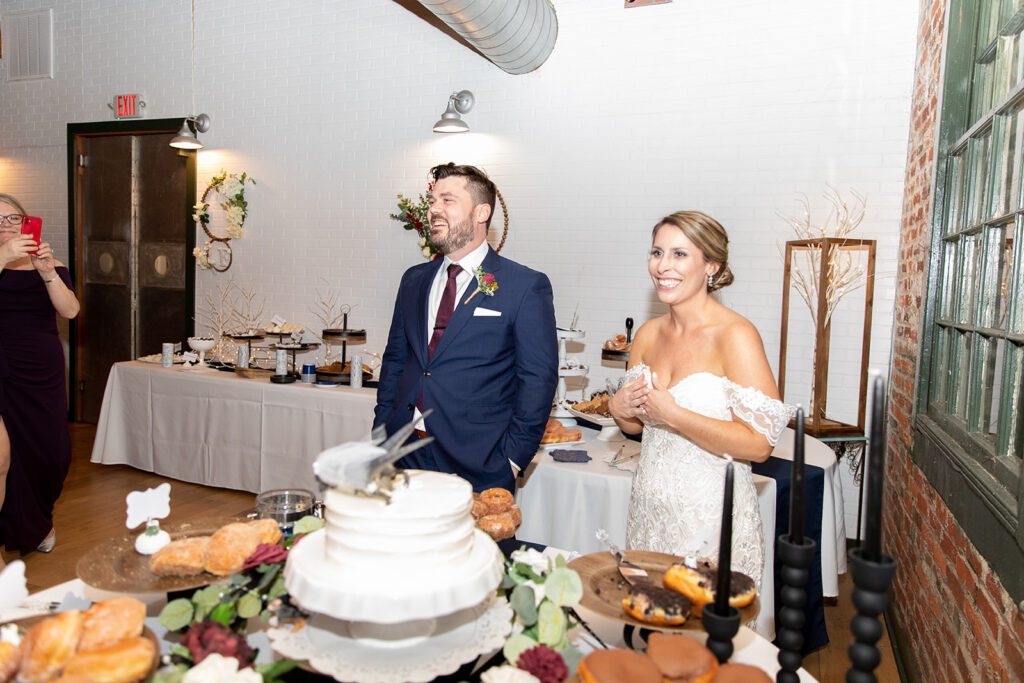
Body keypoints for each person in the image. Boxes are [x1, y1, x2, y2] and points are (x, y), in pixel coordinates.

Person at [609, 211, 794, 601]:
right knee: (650, 627)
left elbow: (760, 445)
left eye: (679, 255)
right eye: (657, 252)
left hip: (710, 513)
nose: (662, 266)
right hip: (649, 508)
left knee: (705, 643)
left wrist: (673, 414)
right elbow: (636, 429)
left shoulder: (736, 335)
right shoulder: (646, 334)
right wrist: (620, 408)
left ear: (711, 265)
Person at [374, 163, 558, 492]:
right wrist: (382, 431)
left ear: (481, 212)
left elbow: (538, 380)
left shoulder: (524, 286)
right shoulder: (414, 280)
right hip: (403, 453)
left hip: (478, 458)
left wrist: (512, 460)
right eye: (432, 202)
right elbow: (396, 361)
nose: (433, 210)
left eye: (448, 201)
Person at [0, 193, 80, 555]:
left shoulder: (49, 261)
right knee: (4, 456)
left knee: (52, 451)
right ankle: (12, 530)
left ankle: (39, 519)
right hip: (1, 365)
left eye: (13, 219)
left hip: (40, 367)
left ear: (26, 223)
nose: (7, 226)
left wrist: (48, 272)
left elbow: (70, 311)